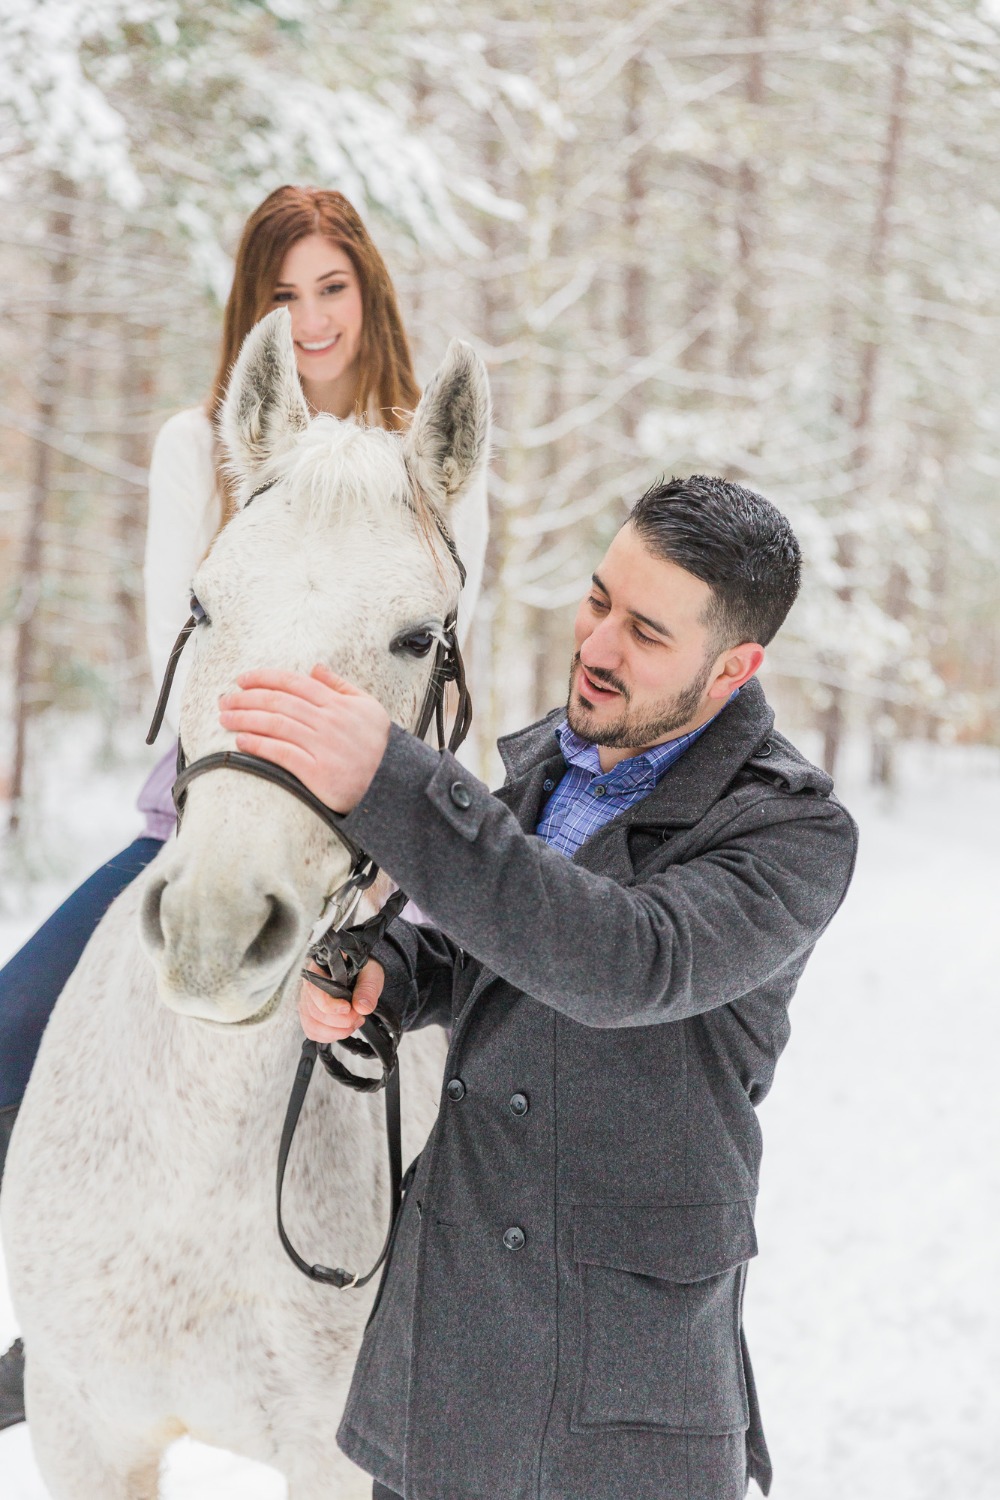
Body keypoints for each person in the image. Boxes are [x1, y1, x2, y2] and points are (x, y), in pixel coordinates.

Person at [218, 474, 858, 1500]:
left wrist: (397, 781)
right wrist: (385, 976)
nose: (597, 646)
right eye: (598, 600)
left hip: (620, 1381)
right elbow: (489, 943)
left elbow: (620, 960)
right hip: (454, 1333)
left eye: (646, 631)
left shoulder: (790, 835)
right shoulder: (557, 767)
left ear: (734, 667)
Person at [0, 184, 489, 1432]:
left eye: (333, 288)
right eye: (285, 296)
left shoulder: (429, 460)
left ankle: (465, 1342)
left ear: (368, 295)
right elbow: (186, 641)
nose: (313, 318)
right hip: (207, 807)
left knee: (507, 1073)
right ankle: (48, 1324)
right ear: (254, 312)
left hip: (382, 832)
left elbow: (444, 664)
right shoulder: (202, 441)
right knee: (12, 1017)